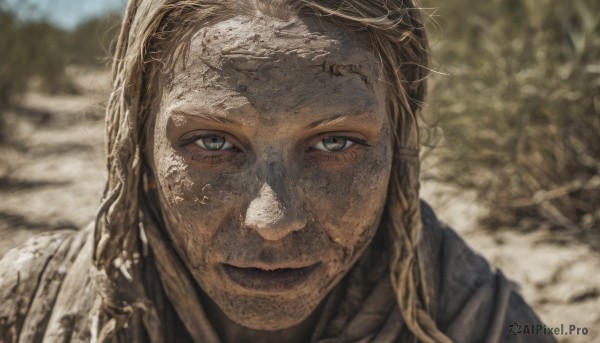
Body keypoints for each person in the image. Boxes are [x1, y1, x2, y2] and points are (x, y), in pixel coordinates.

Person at [0, 0, 555, 342]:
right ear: (138, 146)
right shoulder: (26, 307)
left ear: (400, 145)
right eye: (212, 142)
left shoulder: (479, 323)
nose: (273, 220)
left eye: (334, 142)